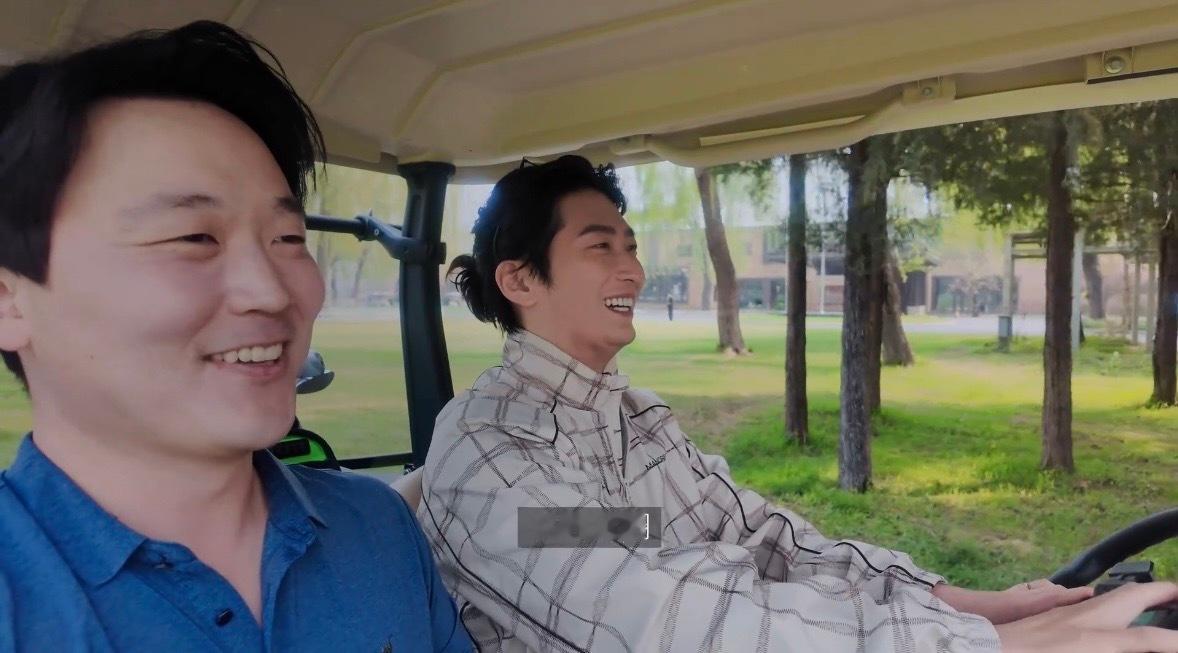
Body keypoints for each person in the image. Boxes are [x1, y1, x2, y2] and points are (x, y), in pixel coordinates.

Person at [419, 155, 1178, 652]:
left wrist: (976, 604)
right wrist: (979, 644)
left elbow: (764, 542)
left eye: (632, 245)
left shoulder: (635, 422)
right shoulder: (494, 450)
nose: (634, 270)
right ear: (520, 280)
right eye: (600, 247)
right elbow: (662, 621)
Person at [0, 21, 472, 652]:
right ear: (518, 277)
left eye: (289, 240)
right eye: (194, 237)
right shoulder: (492, 425)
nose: (272, 291)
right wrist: (618, 522)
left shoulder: (375, 528)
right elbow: (544, 536)